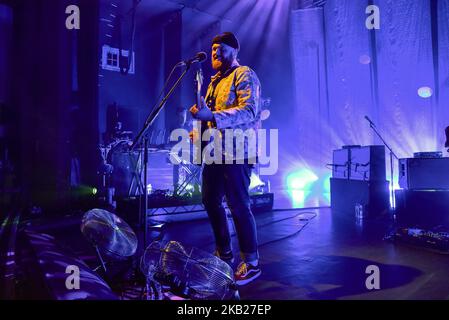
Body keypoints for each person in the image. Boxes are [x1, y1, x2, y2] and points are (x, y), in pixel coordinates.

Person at [189, 32, 262, 285]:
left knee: (239, 205)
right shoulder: (212, 82)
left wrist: (213, 116)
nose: (215, 54)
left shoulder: (244, 74)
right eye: (212, 51)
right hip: (214, 151)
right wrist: (198, 129)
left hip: (238, 150)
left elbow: (250, 110)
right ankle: (224, 253)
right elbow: (211, 115)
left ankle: (251, 262)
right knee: (210, 200)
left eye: (220, 49)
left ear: (233, 51)